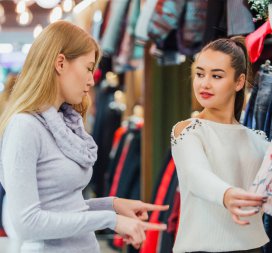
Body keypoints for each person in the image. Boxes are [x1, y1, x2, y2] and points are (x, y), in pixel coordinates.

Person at [0, 21, 168, 253]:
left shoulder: (63, 124)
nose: (92, 79)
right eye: (89, 68)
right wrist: (110, 220)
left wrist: (113, 205)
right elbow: (26, 224)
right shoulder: (25, 127)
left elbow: (65, 208)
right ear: (60, 63)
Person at [171, 37, 269, 253]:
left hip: (253, 248)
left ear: (239, 82)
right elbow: (196, 175)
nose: (204, 83)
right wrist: (226, 194)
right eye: (199, 74)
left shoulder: (260, 140)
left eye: (216, 76)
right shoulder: (189, 130)